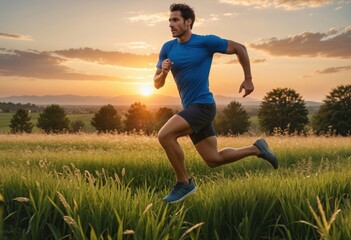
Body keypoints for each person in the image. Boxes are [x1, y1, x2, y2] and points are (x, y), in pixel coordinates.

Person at [154, 3, 278, 203]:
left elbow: (240, 48)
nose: (171, 24)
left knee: (165, 135)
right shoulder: (167, 48)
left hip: (203, 106)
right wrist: (163, 72)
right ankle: (257, 148)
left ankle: (184, 183)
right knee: (213, 159)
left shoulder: (205, 42)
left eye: (175, 20)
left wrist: (248, 78)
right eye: (169, 20)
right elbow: (156, 84)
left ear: (188, 22)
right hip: (192, 109)